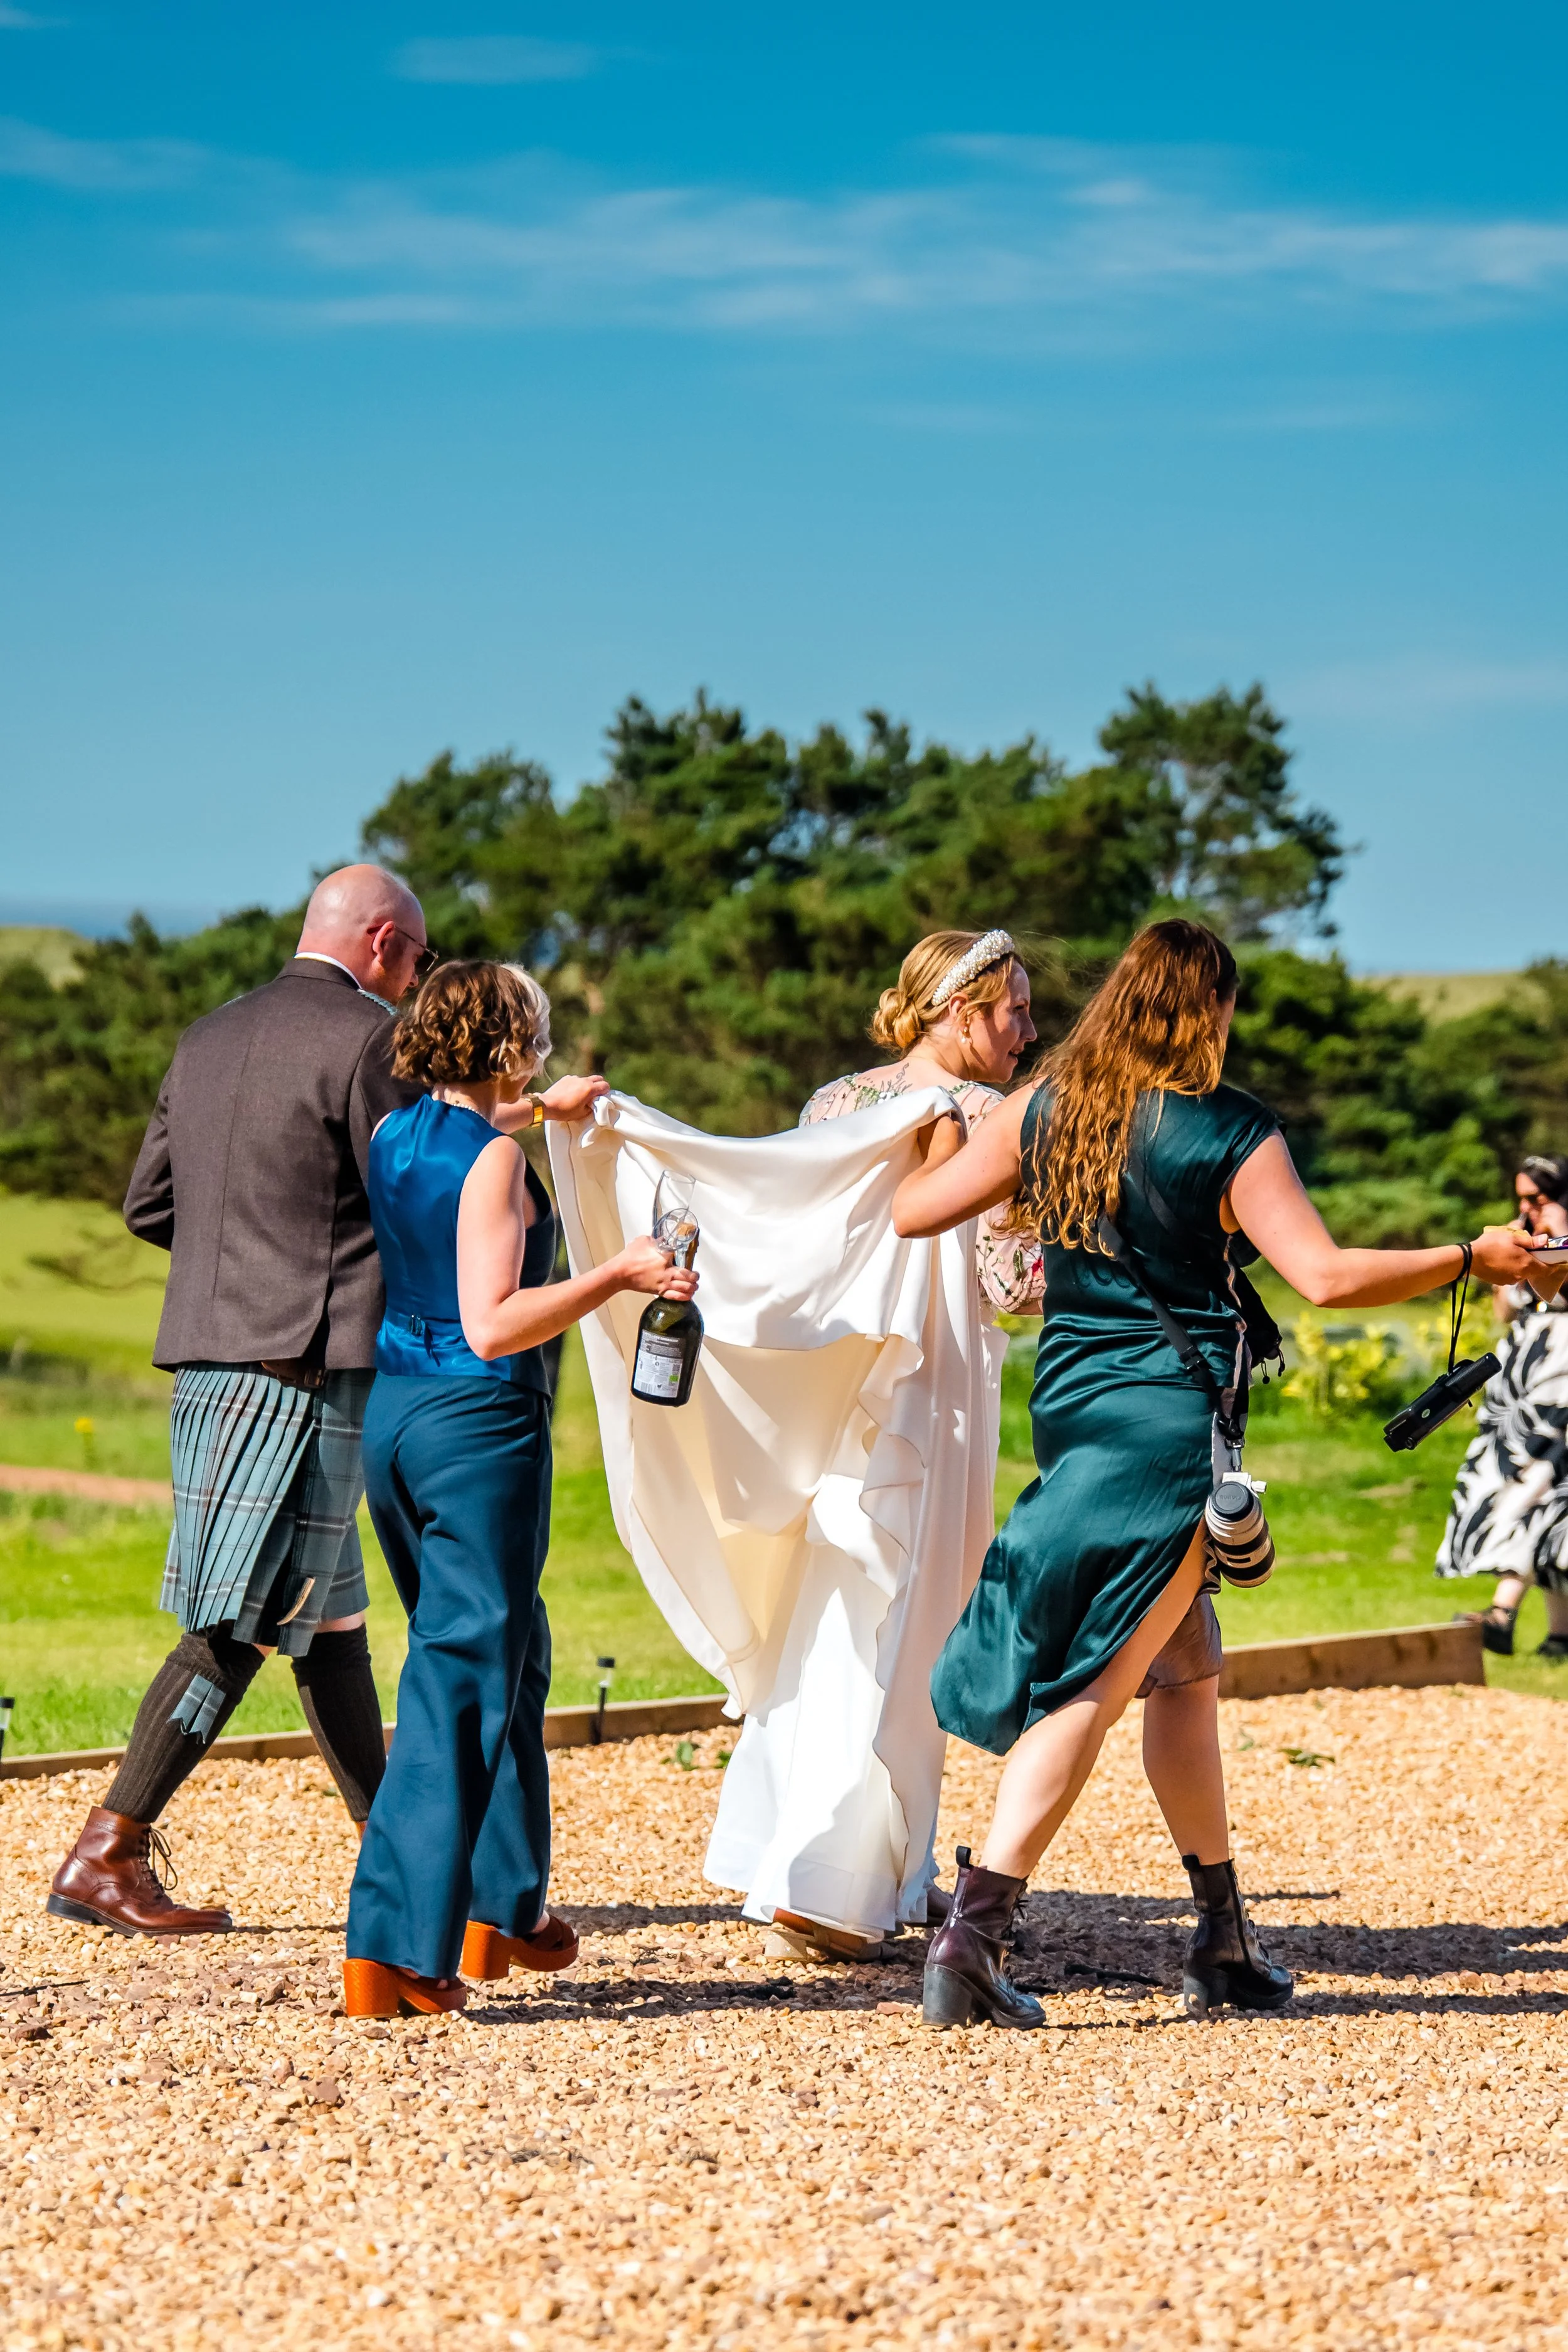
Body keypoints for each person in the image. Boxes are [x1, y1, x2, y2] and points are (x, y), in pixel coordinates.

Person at [891, 918, 1547, 2029]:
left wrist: (945, 1126)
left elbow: (915, 1212)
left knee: (1185, 1672)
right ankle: (973, 1941)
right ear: (1208, 1013)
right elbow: (1326, 1277)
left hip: (1078, 1415)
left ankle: (1223, 1940)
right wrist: (1469, 1257)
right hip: (1173, 1434)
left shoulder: (1045, 1107)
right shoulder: (1230, 1128)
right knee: (1096, 1687)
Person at [48, 866, 432, 1937]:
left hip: (213, 1361)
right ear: (381, 940)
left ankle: (397, 1855)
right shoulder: (369, 1040)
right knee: (245, 1617)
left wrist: (249, 1260)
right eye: (416, 958)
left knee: (328, 1619)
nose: (414, 980)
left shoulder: (208, 1036)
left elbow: (149, 1203)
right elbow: (404, 1195)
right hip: (307, 1362)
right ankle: (107, 1851)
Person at [341, 961, 697, 2018]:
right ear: (505, 1044)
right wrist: (619, 1275)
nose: (543, 1045)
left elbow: (468, 1146)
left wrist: (550, 1107)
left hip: (394, 1420)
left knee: (509, 1651)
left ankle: (503, 1902)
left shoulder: (395, 1133)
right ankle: (393, 1947)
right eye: (536, 1032)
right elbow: (495, 1321)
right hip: (475, 1426)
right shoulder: (497, 1160)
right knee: (457, 1675)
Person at [744, 927, 1041, 1962]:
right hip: (942, 1390)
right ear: (961, 1010)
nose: (1028, 1032)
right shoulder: (1004, 1121)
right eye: (1014, 1011)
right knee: (915, 1622)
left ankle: (803, 1858)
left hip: (843, 1385)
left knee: (836, 1605)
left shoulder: (834, 1105)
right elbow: (1014, 1288)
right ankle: (851, 1880)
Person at [1441, 1152, 1568, 1660]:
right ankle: (1560, 1635)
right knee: (1553, 1492)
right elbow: (1504, 1308)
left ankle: (1502, 1610)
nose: (1527, 1208)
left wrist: (1560, 1243)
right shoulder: (1525, 1235)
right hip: (1523, 1379)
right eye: (1521, 1198)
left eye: (1537, 1198)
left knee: (1538, 1483)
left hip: (1561, 1379)